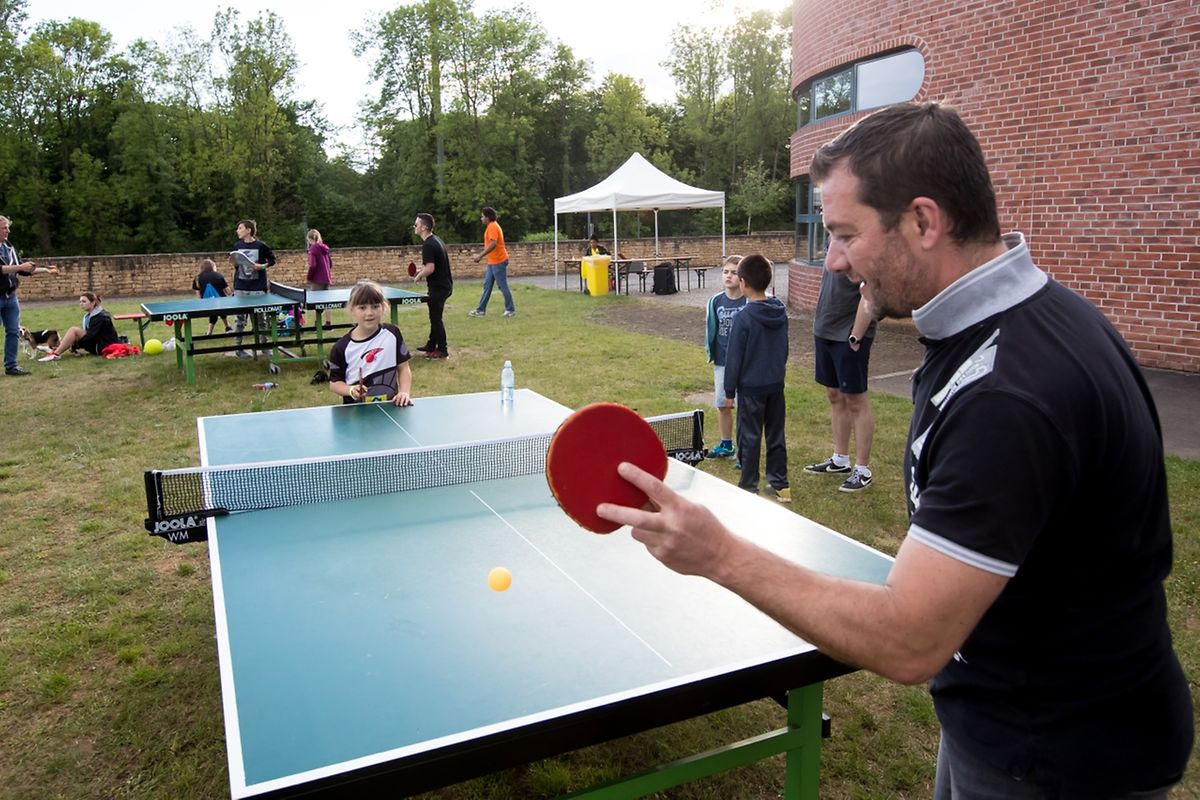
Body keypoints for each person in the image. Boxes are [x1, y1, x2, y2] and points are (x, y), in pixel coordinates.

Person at [597, 102, 1192, 798]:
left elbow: (909, 640)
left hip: (1058, 760)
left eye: (847, 234)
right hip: (1011, 720)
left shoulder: (1008, 396)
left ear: (923, 221)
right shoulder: (1025, 317)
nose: (837, 261)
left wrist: (719, 554)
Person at [802, 270, 878, 492]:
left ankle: (863, 470)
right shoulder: (833, 241)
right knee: (834, 396)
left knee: (855, 400)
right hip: (825, 331)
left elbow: (870, 292)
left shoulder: (863, 244)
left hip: (849, 335)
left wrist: (856, 336)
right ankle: (840, 460)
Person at [723, 254, 789, 502]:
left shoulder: (744, 317)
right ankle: (781, 485)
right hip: (775, 385)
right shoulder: (780, 311)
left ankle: (749, 487)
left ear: (743, 283)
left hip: (751, 388)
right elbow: (784, 348)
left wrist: (729, 392)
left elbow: (734, 358)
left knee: (749, 437)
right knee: (776, 434)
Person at [327, 280, 413, 406]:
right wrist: (351, 390)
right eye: (362, 308)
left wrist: (404, 392)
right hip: (356, 413)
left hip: (391, 407)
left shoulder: (393, 334)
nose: (369, 313)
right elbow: (334, 384)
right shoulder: (341, 348)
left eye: (375, 306)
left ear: (383, 307)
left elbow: (404, 368)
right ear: (352, 309)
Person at [704, 254, 746, 458]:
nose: (729, 276)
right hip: (722, 362)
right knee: (723, 404)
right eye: (725, 272)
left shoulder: (750, 301)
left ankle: (745, 450)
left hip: (746, 363)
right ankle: (726, 444)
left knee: (745, 406)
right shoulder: (715, 301)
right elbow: (712, 328)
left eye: (734, 273)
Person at [0, 214, 49, 376]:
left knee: (14, 331)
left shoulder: (9, 247)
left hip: (10, 296)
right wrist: (21, 266)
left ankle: (11, 366)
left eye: (8, 228)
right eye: (4, 228)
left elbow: (21, 269)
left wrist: (45, 270)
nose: (8, 231)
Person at [229, 218, 276, 358]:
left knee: (261, 320)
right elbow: (237, 265)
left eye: (240, 228)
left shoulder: (261, 246)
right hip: (241, 286)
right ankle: (238, 348)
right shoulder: (237, 245)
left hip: (258, 287)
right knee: (240, 320)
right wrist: (233, 262)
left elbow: (272, 260)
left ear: (248, 230)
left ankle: (264, 346)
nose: (237, 231)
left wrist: (261, 266)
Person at [410, 212, 453, 360]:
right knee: (435, 317)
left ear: (424, 227)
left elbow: (430, 268)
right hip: (445, 285)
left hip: (439, 287)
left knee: (436, 318)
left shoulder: (428, 244)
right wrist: (421, 271)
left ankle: (442, 350)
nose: (414, 227)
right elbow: (434, 265)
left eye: (416, 225)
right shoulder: (436, 240)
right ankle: (431, 345)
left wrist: (418, 276)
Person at [37, 292, 119, 361]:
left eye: (84, 301)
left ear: (93, 302)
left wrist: (76, 345)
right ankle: (54, 349)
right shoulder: (93, 314)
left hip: (103, 346)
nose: (81, 304)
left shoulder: (100, 317)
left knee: (74, 330)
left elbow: (91, 336)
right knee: (74, 334)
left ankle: (55, 354)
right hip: (98, 342)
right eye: (80, 302)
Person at [469, 206, 515, 317]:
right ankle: (481, 310)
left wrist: (480, 256)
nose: (481, 218)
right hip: (492, 261)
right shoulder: (490, 226)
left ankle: (510, 309)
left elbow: (493, 244)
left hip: (499, 261)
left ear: (488, 217)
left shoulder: (493, 227)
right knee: (487, 285)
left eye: (482, 216)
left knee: (502, 285)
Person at [192, 258, 230, 336]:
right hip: (221, 301)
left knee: (214, 312)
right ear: (213, 266)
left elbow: (198, 294)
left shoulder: (197, 278)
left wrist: (201, 303)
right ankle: (227, 327)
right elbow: (227, 290)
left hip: (206, 302)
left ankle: (211, 332)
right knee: (219, 310)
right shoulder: (218, 275)